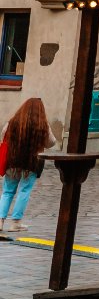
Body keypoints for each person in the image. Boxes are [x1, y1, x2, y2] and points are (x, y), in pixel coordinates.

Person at [0, 97, 51, 233]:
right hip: (32, 162)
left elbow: (3, 135)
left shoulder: (12, 122)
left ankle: (0, 221)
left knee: (7, 191)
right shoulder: (42, 125)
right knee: (24, 191)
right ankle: (15, 223)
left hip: (13, 160)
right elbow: (50, 142)